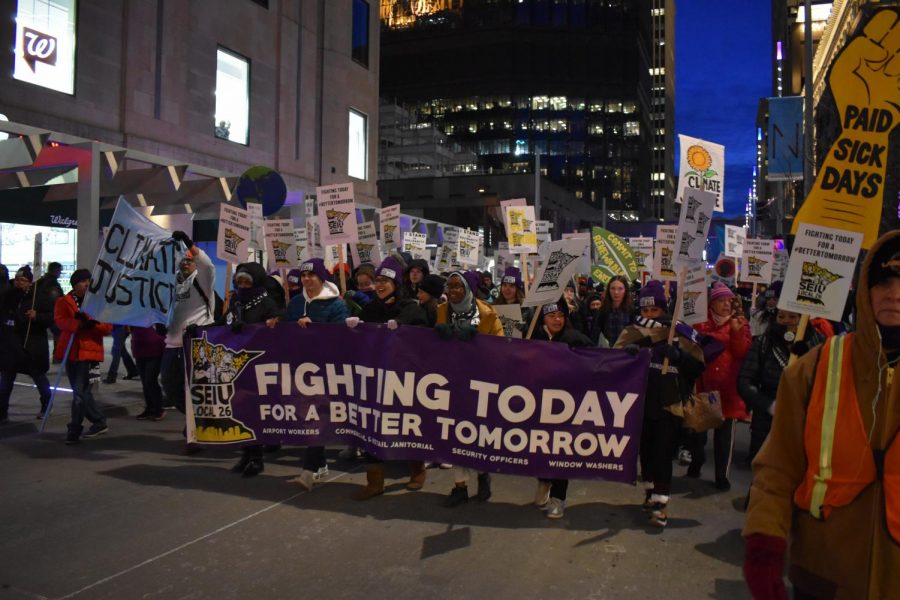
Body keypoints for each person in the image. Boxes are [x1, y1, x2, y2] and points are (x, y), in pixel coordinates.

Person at [743, 231, 900, 599]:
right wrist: (764, 548)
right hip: (823, 573)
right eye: (884, 282)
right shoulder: (817, 368)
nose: (894, 294)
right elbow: (778, 468)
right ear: (865, 290)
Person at [615, 280, 710, 528]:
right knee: (646, 451)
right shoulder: (635, 331)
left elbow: (698, 367)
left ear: (663, 309)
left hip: (670, 404)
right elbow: (615, 360)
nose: (649, 315)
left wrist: (679, 357)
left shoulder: (679, 332)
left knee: (663, 453)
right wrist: (628, 354)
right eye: (645, 311)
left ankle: (660, 502)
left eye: (654, 310)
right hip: (641, 403)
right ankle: (649, 491)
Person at [351, 256, 429, 500]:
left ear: (396, 282)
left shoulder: (411, 308)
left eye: (386, 280)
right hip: (375, 376)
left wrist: (404, 328)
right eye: (378, 280)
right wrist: (354, 329)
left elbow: (425, 339)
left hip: (404, 378)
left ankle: (417, 470)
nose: (381, 285)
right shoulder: (371, 308)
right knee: (372, 426)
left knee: (406, 425)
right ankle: (375, 482)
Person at [435, 271, 503, 506]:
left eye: (457, 286)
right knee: (453, 433)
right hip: (452, 381)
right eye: (449, 286)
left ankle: (483, 475)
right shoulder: (442, 311)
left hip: (480, 382)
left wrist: (478, 343)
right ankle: (460, 486)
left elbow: (500, 349)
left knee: (477, 433)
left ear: (468, 289)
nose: (452, 291)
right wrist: (438, 337)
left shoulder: (487, 314)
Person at [281, 257, 348, 487]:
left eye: (311, 275)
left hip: (325, 369)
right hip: (300, 368)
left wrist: (316, 329)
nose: (307, 279)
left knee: (315, 417)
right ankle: (319, 465)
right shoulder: (296, 302)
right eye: (304, 275)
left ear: (322, 278)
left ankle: (309, 470)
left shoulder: (336, 305)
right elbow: (286, 329)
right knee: (306, 416)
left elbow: (341, 336)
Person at [531, 298, 593, 518]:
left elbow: (600, 359)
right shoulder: (533, 336)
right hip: (537, 402)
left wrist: (627, 355)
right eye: (551, 316)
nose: (557, 320)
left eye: (561, 315)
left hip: (565, 405)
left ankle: (559, 497)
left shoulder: (575, 339)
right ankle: (544, 481)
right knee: (539, 446)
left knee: (560, 451)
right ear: (543, 318)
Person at [737, 309, 824, 463]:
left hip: (803, 419)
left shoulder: (819, 344)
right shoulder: (764, 342)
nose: (786, 320)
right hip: (766, 421)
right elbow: (745, 381)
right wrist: (768, 405)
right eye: (781, 316)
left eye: (792, 316)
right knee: (763, 473)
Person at [689, 282, 751, 490]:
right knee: (698, 434)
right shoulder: (700, 324)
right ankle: (696, 461)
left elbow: (743, 353)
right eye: (721, 301)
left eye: (729, 301)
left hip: (729, 390)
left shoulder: (741, 324)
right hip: (704, 387)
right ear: (712, 304)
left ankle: (721, 476)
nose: (726, 304)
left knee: (724, 438)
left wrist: (737, 333)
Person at [224, 262, 283, 477]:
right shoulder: (236, 301)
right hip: (236, 365)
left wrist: (268, 323)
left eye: (247, 281)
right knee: (239, 411)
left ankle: (257, 458)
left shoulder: (266, 303)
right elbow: (223, 324)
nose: (242, 285)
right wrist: (202, 329)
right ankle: (246, 453)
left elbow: (276, 325)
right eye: (239, 281)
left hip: (258, 365)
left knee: (254, 412)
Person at [159, 231, 215, 442]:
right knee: (170, 385)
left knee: (197, 388)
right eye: (183, 261)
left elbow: (207, 265)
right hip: (172, 343)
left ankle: (194, 429)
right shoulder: (171, 284)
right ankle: (197, 418)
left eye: (190, 260)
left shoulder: (203, 280)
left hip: (196, 343)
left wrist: (190, 245)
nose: (185, 264)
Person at [55, 269, 114, 444]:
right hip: (71, 351)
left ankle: (74, 429)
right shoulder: (63, 301)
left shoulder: (97, 302)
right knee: (81, 392)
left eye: (89, 280)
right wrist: (77, 324)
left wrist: (90, 323)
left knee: (80, 394)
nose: (87, 284)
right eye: (83, 281)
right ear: (75, 284)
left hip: (89, 353)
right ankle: (99, 421)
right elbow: (60, 321)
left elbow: (107, 327)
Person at [0, 267, 55, 423]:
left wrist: (37, 316)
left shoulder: (39, 297)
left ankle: (46, 405)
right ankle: (2, 411)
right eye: (17, 280)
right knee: (6, 381)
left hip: (31, 346)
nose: (19, 283)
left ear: (30, 282)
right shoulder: (7, 296)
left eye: (23, 280)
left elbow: (51, 317)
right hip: (11, 346)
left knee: (39, 378)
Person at [131, 326, 167, 421]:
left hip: (155, 349)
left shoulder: (154, 314)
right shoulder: (135, 315)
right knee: (145, 382)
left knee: (150, 380)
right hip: (139, 348)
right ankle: (150, 408)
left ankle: (158, 408)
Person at [596, 275, 634, 347]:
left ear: (625, 290)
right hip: (607, 352)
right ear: (608, 290)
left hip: (626, 352)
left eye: (620, 288)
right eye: (613, 288)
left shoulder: (631, 310)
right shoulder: (602, 310)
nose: (616, 292)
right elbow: (596, 333)